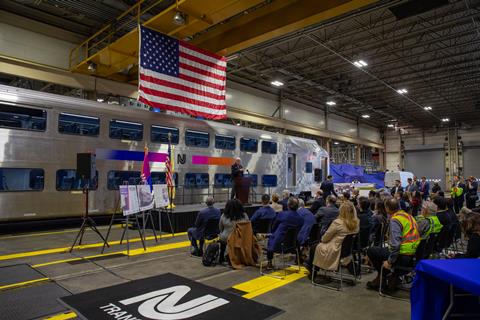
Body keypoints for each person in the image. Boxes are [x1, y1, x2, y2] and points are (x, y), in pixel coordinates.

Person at [366, 198, 421, 292]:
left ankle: (383, 277)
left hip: (402, 254)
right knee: (380, 250)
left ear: (387, 208)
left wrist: (390, 261)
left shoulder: (395, 220)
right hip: (413, 253)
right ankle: (390, 277)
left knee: (371, 250)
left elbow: (395, 245)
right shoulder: (408, 216)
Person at [305, 202, 359, 273]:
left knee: (314, 247)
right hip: (347, 250)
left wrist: (323, 239)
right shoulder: (356, 223)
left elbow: (325, 238)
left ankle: (313, 269)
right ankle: (314, 267)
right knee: (316, 247)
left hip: (336, 249)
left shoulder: (337, 222)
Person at [265, 197, 304, 269]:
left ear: (288, 205)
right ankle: (299, 258)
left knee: (270, 238)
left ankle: (269, 262)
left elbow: (274, 227)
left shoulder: (282, 214)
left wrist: (272, 234)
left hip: (278, 246)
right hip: (293, 246)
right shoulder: (301, 219)